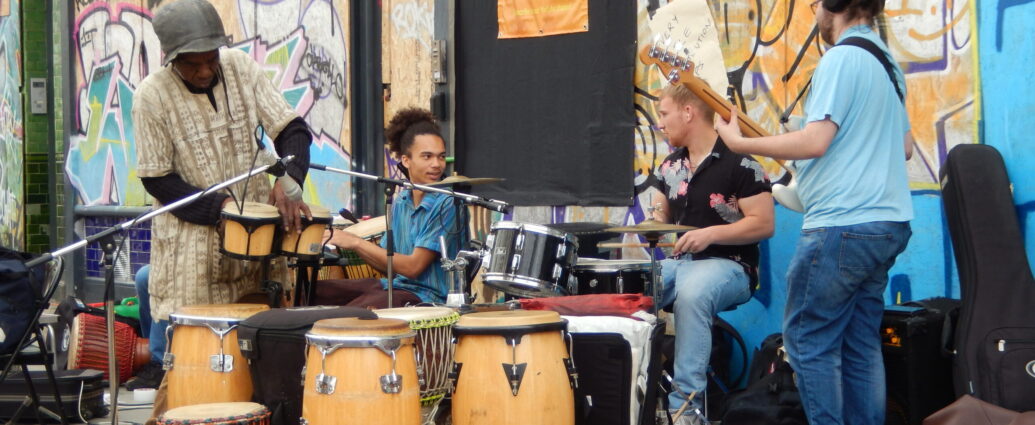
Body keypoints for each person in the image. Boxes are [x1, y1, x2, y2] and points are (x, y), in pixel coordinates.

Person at [715, 0, 913, 423]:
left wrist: (742, 145)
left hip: (841, 226)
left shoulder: (841, 58)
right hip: (887, 224)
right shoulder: (888, 65)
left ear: (834, 5)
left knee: (806, 343)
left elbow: (816, 142)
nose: (814, 10)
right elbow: (906, 147)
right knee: (859, 345)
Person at [130, 0, 312, 392]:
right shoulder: (151, 95)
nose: (205, 70)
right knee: (198, 375)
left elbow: (292, 129)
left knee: (259, 363)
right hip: (191, 257)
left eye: (211, 59)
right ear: (172, 58)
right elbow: (157, 178)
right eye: (192, 64)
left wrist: (289, 179)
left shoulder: (241, 67)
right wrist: (223, 207)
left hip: (257, 251)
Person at [651, 84, 774, 424]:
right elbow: (658, 214)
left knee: (694, 294)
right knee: (630, 289)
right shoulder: (669, 167)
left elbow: (764, 224)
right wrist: (654, 223)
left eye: (664, 113)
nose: (659, 123)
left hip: (731, 268)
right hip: (680, 265)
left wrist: (710, 235)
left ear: (687, 113)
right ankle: (635, 393)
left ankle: (685, 410)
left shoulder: (741, 163)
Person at [316, 107, 467, 308]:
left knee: (354, 313)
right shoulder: (402, 200)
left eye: (441, 156)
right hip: (396, 286)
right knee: (313, 291)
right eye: (427, 156)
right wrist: (349, 245)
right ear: (406, 160)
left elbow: (413, 268)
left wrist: (356, 243)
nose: (437, 164)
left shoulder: (448, 203)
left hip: (428, 297)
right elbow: (388, 266)